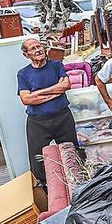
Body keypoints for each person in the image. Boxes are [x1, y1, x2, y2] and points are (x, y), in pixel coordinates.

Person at [17, 38, 75, 184]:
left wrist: (37, 93)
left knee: (72, 153)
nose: (38, 50)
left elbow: (66, 85)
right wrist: (56, 91)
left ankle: (76, 183)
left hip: (63, 117)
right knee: (37, 159)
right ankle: (46, 190)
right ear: (26, 54)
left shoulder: (56, 65)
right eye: (32, 48)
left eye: (39, 46)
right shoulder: (23, 73)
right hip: (38, 122)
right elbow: (26, 100)